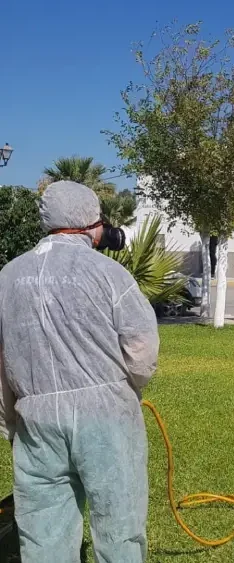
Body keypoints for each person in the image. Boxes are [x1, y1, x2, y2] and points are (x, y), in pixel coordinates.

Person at [0, 181, 159, 563]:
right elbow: (141, 349)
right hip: (106, 412)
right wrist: (127, 388)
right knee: (118, 521)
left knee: (43, 529)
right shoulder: (109, 274)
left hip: (35, 418)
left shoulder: (7, 277)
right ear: (92, 223)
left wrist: (8, 420)